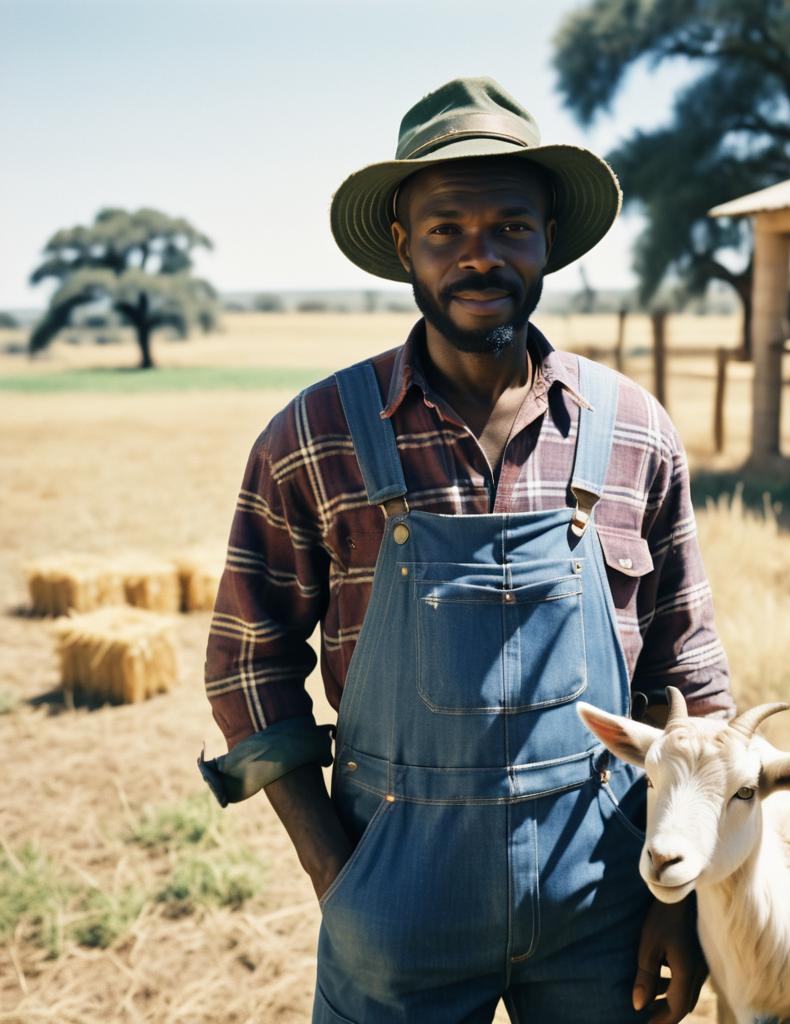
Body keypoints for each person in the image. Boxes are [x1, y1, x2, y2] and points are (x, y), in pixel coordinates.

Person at [199, 77, 733, 1024]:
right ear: (402, 245)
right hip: (393, 904)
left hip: (604, 900)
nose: (480, 257)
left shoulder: (634, 433)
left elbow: (685, 667)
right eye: (446, 229)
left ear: (547, 241)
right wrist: (340, 877)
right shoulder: (317, 433)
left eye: (511, 227)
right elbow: (248, 663)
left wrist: (676, 901)